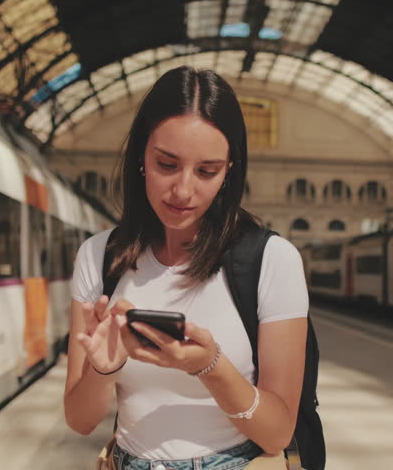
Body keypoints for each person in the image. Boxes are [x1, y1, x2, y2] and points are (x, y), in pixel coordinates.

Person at [64, 66, 309, 470]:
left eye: (207, 171)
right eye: (166, 164)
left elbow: (278, 433)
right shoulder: (98, 256)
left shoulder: (272, 261)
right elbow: (80, 419)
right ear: (141, 155)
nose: (183, 190)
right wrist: (104, 369)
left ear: (229, 170)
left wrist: (208, 367)